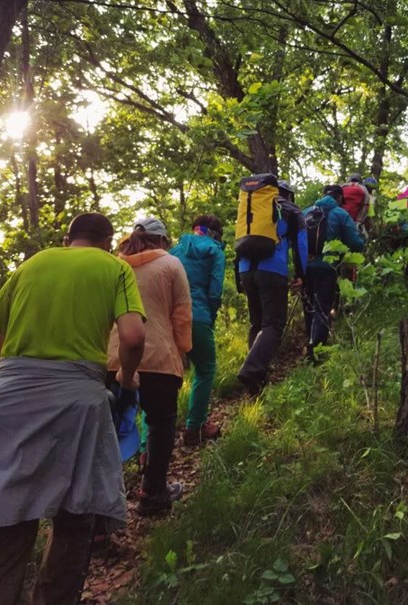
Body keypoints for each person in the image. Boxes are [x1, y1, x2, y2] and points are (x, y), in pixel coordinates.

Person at [0, 213, 146, 605]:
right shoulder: (114, 267)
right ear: (107, 242)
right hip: (76, 404)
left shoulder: (32, 265)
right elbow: (133, 337)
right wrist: (124, 380)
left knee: (3, 517)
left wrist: (26, 373)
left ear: (68, 239)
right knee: (75, 513)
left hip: (6, 401)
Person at [108, 216, 192, 516]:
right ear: (161, 240)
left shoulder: (114, 266)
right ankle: (152, 492)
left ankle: (102, 509)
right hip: (158, 358)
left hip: (113, 357)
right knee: (160, 422)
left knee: (106, 432)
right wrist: (183, 350)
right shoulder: (171, 264)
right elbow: (182, 314)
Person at [236, 179, 308, 395]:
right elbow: (300, 244)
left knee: (256, 323)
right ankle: (251, 370)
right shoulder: (291, 210)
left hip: (246, 270)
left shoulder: (253, 206)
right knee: (274, 325)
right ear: (289, 194)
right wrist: (301, 274)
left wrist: (239, 277)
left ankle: (255, 383)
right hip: (272, 270)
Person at [170, 215, 226, 446]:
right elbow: (215, 291)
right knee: (205, 369)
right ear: (216, 233)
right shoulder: (214, 251)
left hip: (171, 319)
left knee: (165, 376)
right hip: (198, 316)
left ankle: (150, 442)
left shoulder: (174, 251)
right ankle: (195, 427)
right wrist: (210, 317)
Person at [303, 185, 365, 363]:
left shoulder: (306, 212)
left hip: (305, 266)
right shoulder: (340, 214)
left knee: (309, 306)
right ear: (339, 198)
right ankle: (316, 352)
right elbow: (356, 244)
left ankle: (310, 343)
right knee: (322, 307)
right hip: (327, 267)